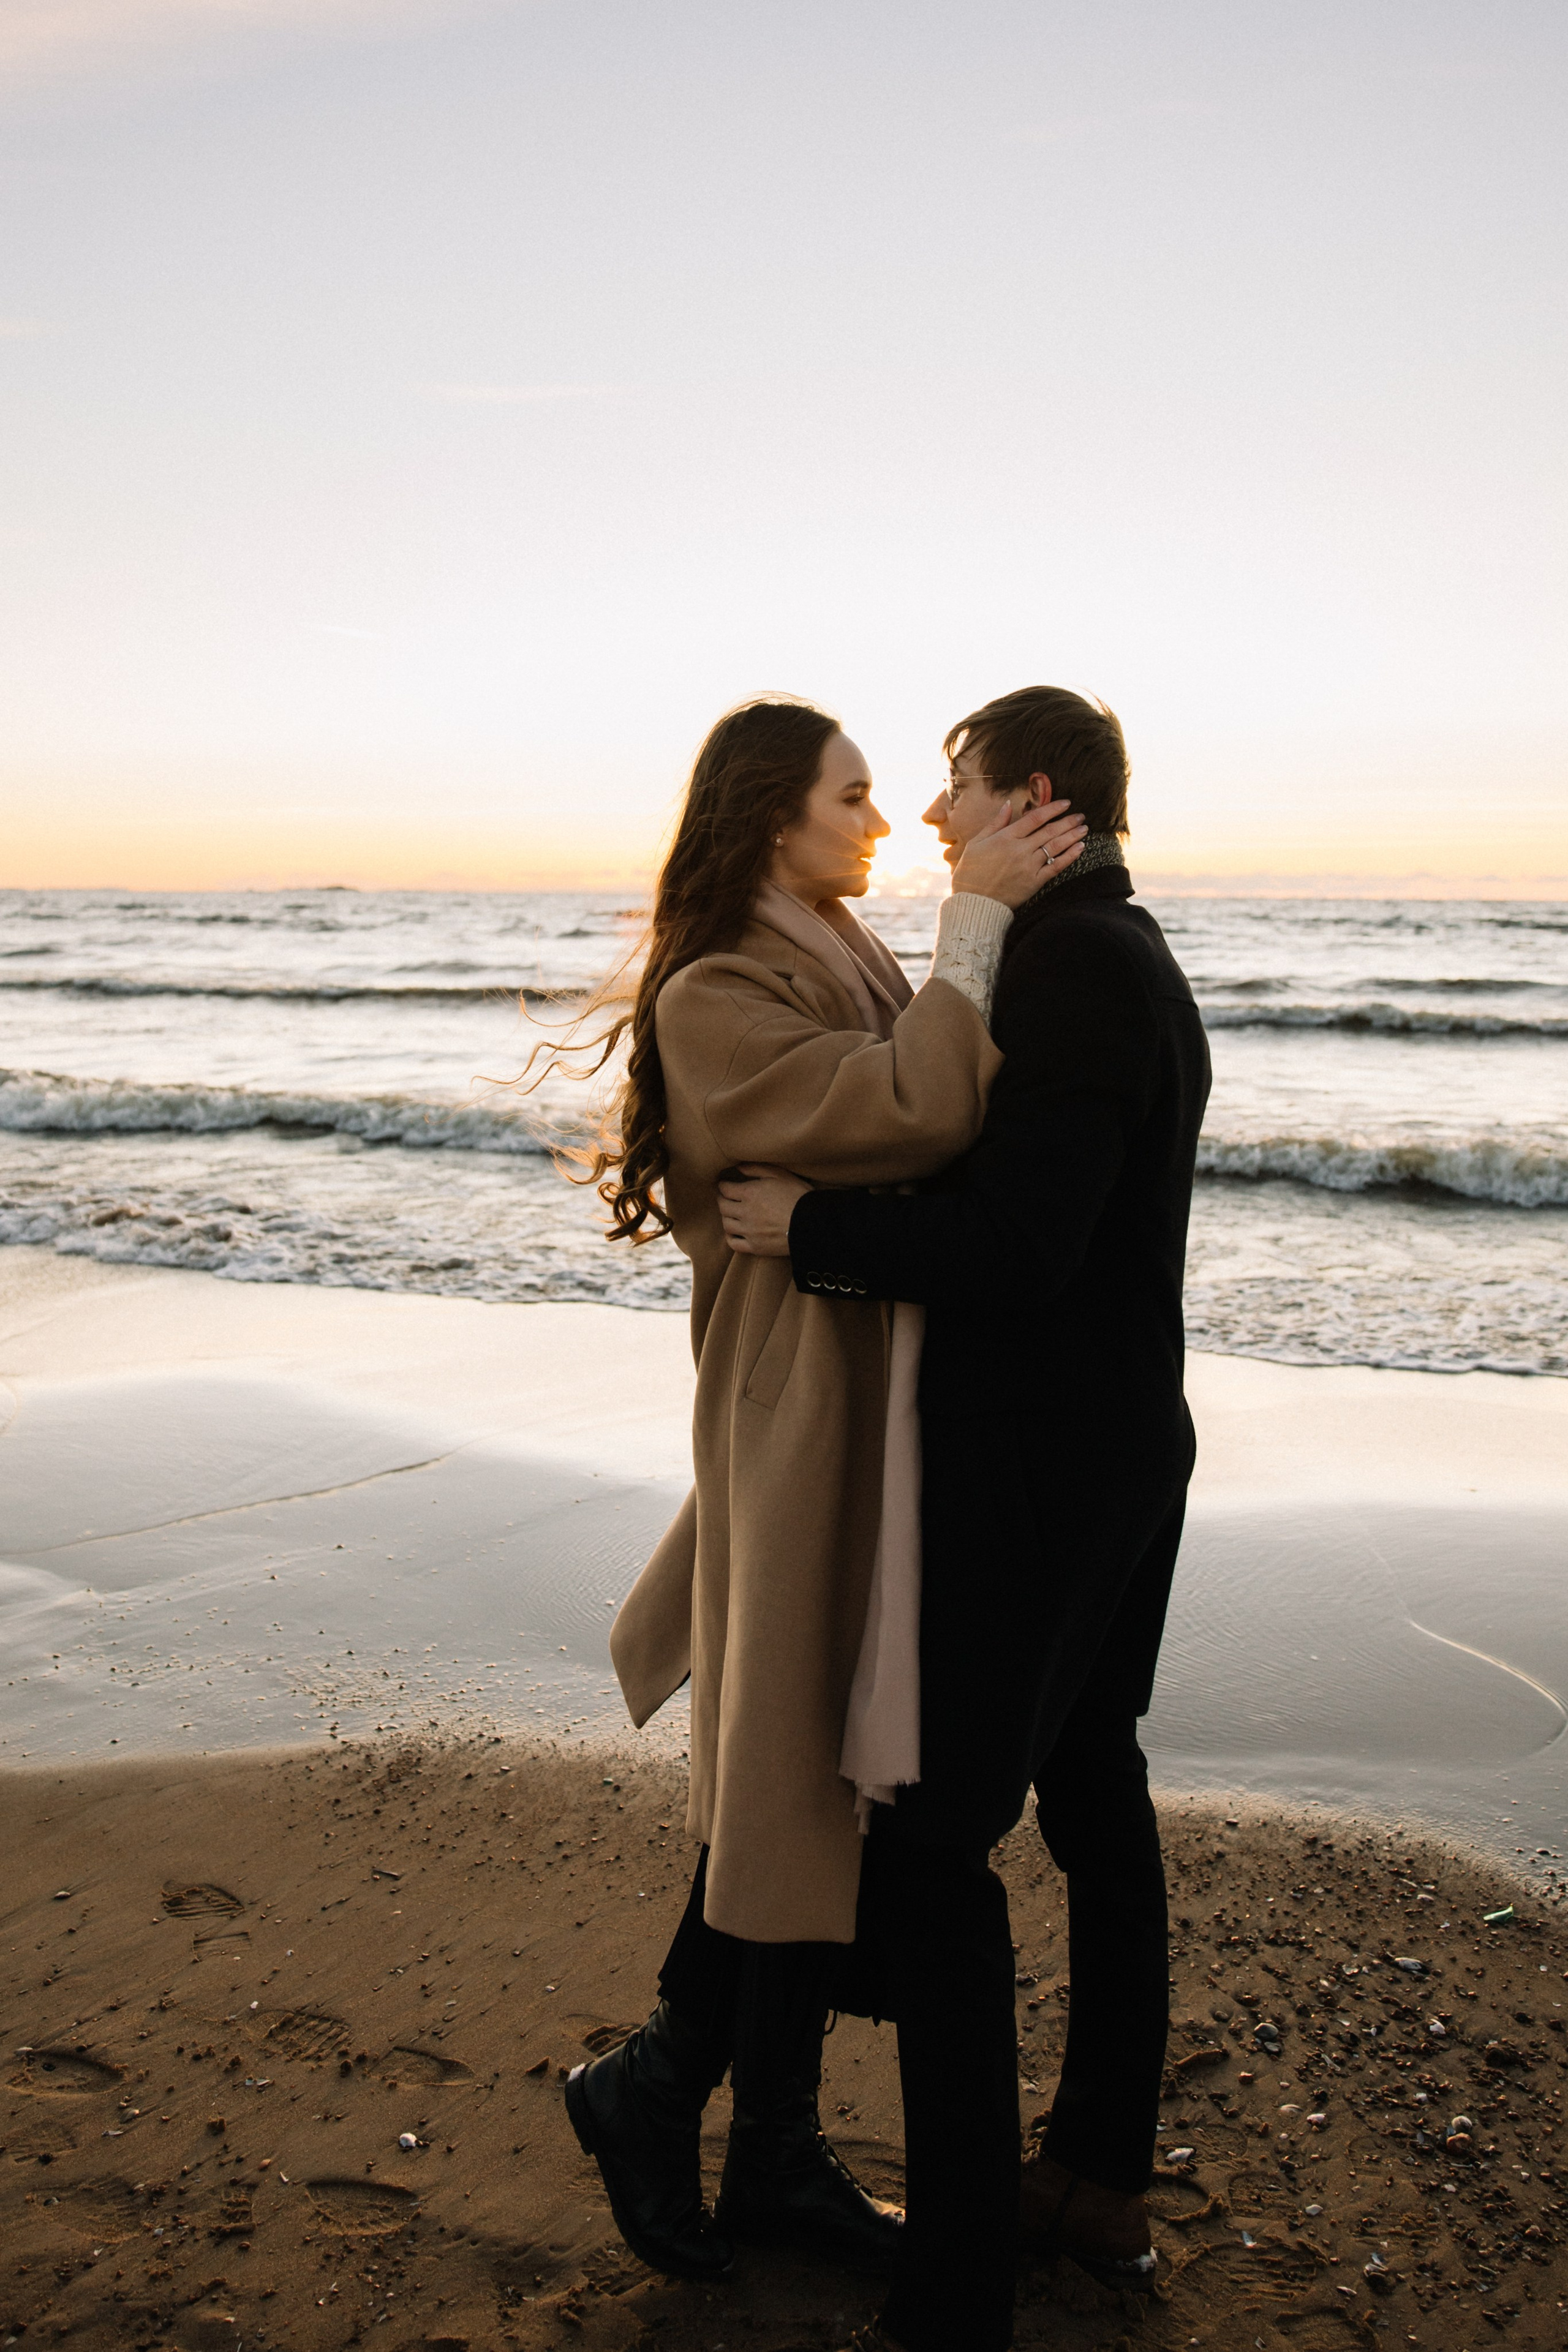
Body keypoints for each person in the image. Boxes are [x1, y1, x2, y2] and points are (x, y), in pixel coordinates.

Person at [536, 695, 1086, 2283]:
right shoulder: (720, 995)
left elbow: (927, 1125)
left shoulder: (841, 959)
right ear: (771, 813)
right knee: (784, 1782)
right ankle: (658, 2093)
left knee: (815, 1786)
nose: (881, 819)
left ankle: (763, 2143)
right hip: (800, 1429)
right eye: (850, 795)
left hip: (879, 1411)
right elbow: (921, 1109)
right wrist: (980, 914)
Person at [719, 685, 1211, 2352]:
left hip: (1049, 1468)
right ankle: (1095, 2176)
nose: (935, 816)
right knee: (1097, 1795)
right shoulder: (1115, 948)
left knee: (932, 1856)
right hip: (1130, 1442)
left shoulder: (1076, 964)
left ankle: (957, 2282)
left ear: (1040, 794)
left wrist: (813, 1230)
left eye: (961, 784)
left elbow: (1024, 1246)